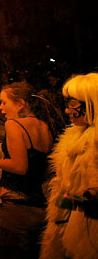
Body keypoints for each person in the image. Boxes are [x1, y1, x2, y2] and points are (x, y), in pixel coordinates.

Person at [0, 81, 63, 257]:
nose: (1, 108)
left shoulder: (14, 125)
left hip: (15, 207)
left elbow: (19, 167)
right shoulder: (46, 126)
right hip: (40, 208)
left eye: (5, 102)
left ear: (20, 104)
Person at [41, 72, 98, 259]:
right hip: (67, 226)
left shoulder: (94, 140)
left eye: (73, 105)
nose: (67, 111)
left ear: (91, 104)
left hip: (89, 234)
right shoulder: (74, 135)